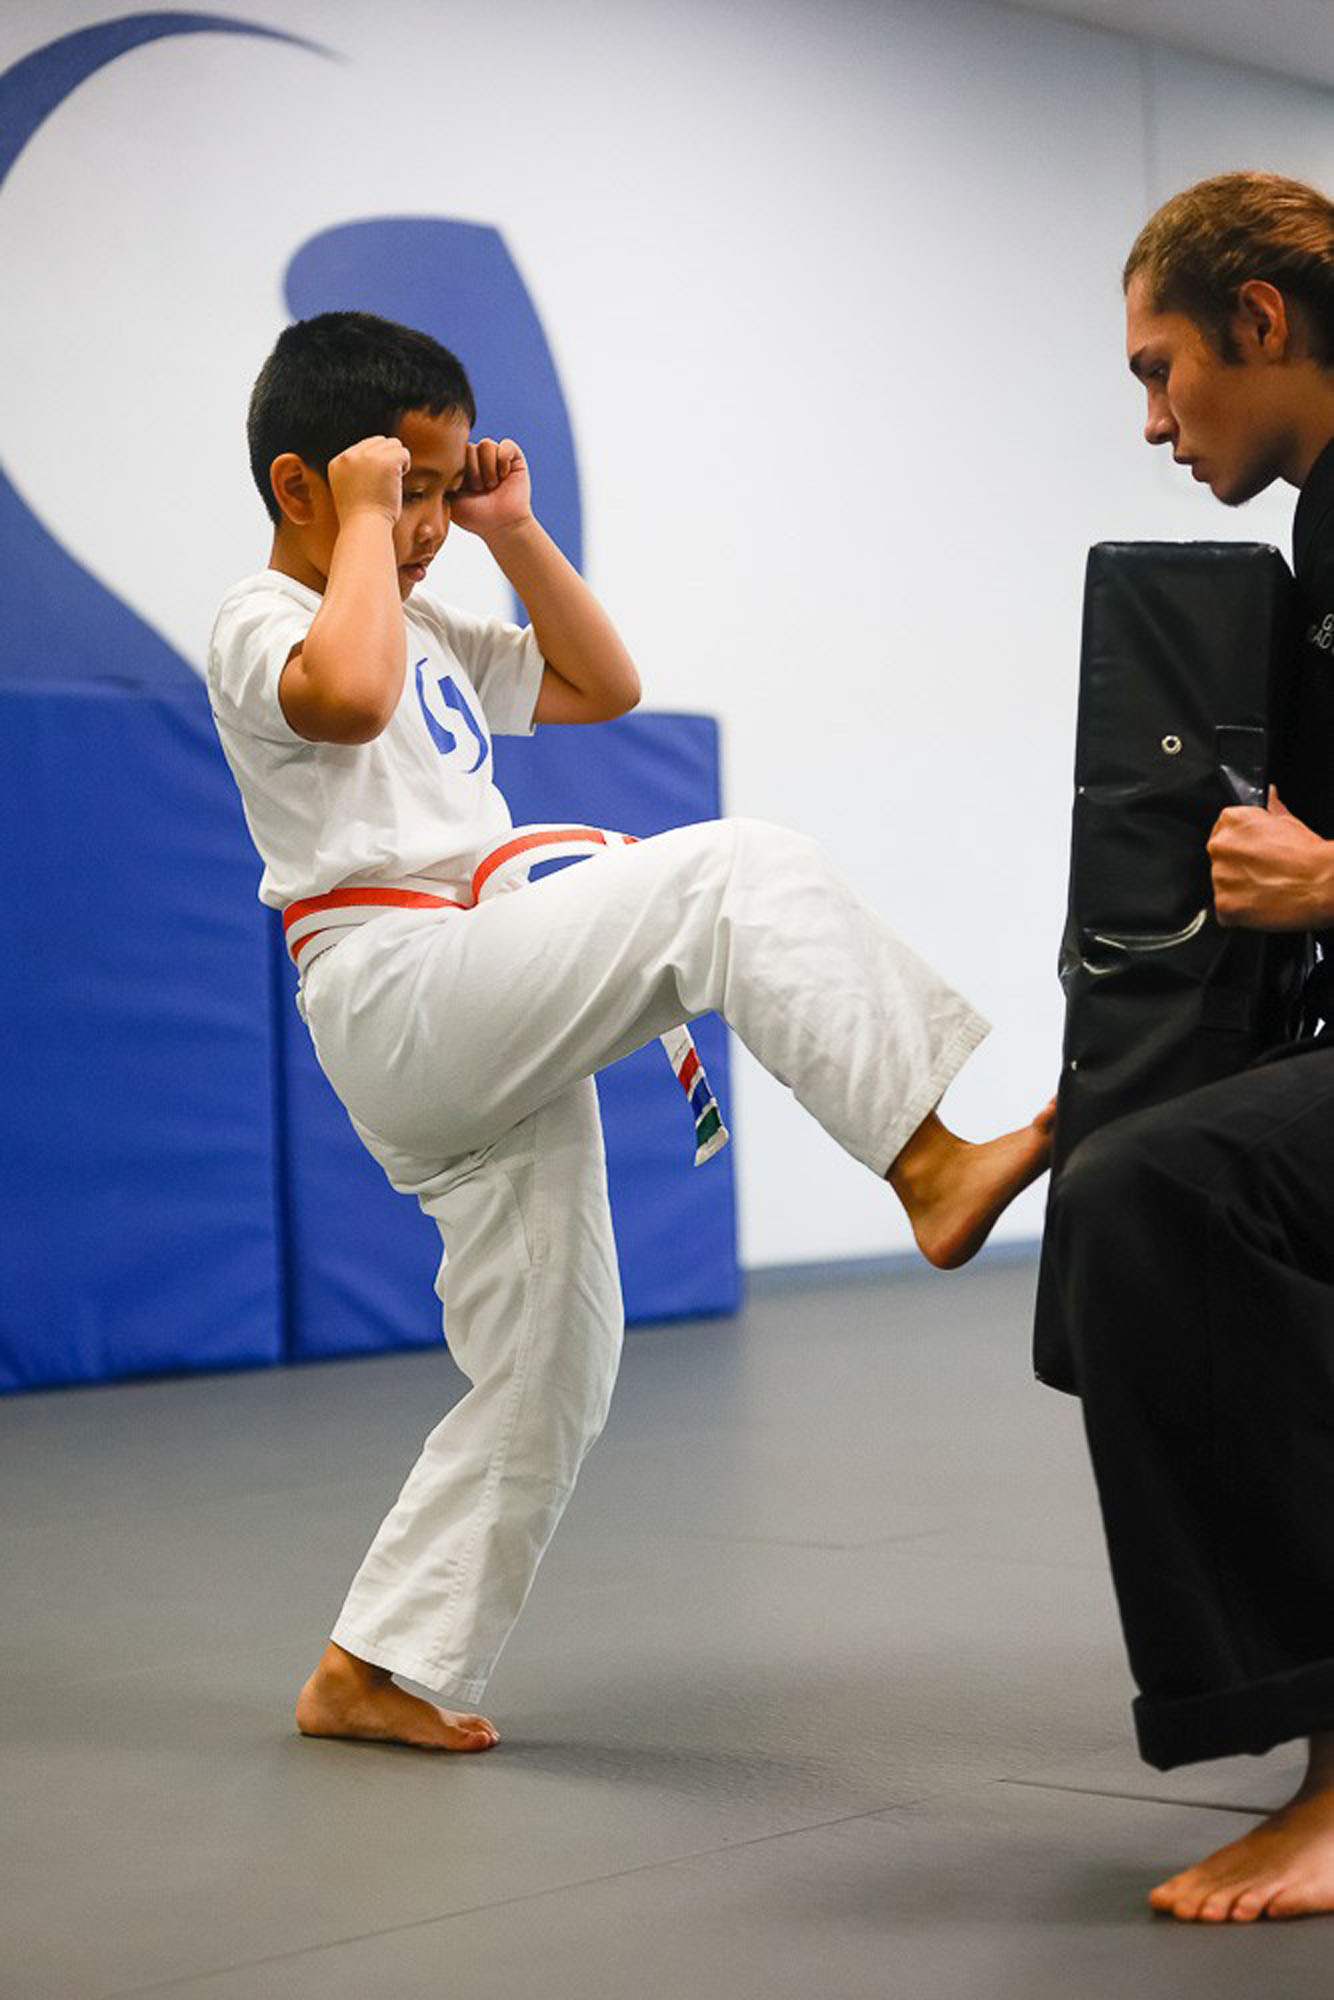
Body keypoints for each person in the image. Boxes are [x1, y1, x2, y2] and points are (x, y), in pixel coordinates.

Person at [208, 310, 1051, 1758]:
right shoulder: (266, 619)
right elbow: (342, 699)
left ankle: (374, 1665)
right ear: (303, 487)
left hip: (479, 990)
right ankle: (925, 1163)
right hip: (399, 989)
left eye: (434, 494)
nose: (422, 529)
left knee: (557, 1350)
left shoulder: (424, 622)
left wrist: (509, 529)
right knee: (733, 871)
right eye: (400, 492)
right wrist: (361, 528)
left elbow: (604, 685)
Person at [1041, 171, 1334, 1922]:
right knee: (1121, 1177)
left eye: (1162, 372)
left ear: (1262, 323)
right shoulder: (1318, 544)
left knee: (1168, 1200)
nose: (1153, 424)